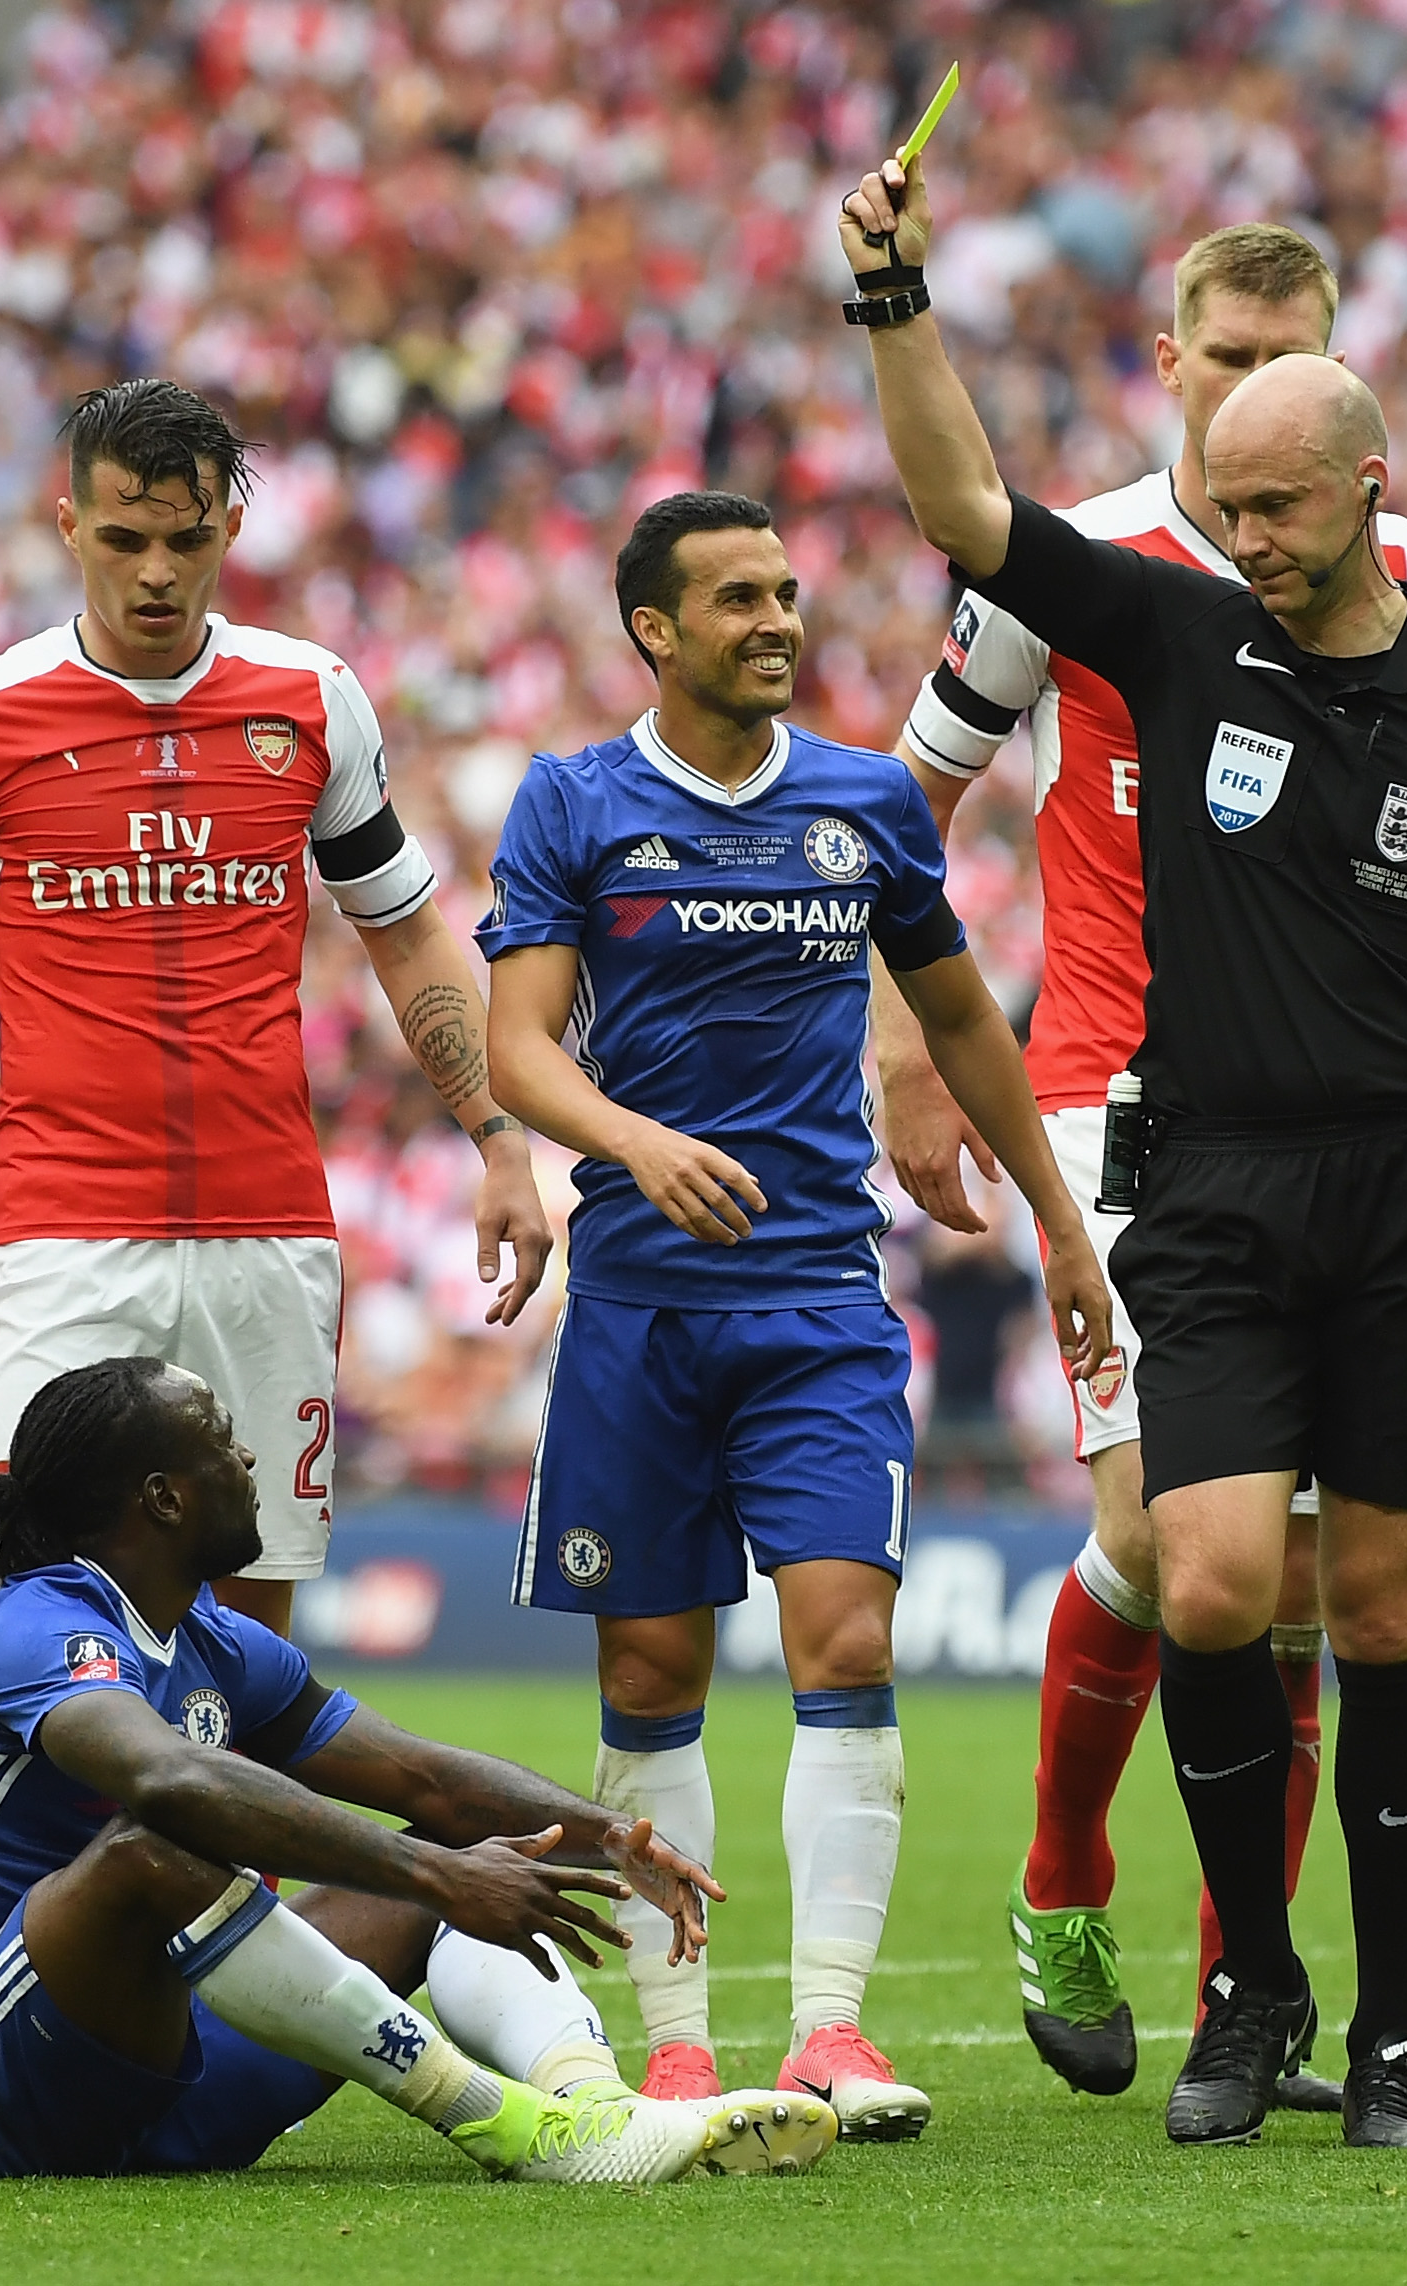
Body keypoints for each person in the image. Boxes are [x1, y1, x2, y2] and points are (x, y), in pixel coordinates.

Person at [841, 153, 1407, 2148]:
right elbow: (921, 767)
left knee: (1344, 1592)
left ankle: (1282, 1996)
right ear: (1168, 365)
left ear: (1353, 439)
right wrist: (904, 1043)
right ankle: (1079, 1883)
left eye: (1279, 383)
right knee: (1185, 1559)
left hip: (1393, 1149)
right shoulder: (1138, 587)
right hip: (1132, 1115)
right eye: (1217, 372)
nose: (1238, 435)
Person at [478, 489, 1116, 2136]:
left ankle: (829, 2030)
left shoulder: (861, 807)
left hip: (821, 1296)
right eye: (738, 599)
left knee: (846, 1636)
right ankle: (677, 2040)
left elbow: (966, 1021)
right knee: (650, 1666)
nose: (776, 619)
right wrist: (629, 1141)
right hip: (637, 1305)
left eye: (783, 592)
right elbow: (518, 1047)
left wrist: (1055, 1216)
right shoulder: (572, 803)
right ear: (654, 631)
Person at [0, 380, 554, 1636]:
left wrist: (501, 1143)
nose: (156, 573)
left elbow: (405, 935)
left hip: (268, 1234)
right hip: (63, 1235)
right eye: (125, 538)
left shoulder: (311, 697)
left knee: (248, 1623)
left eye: (186, 541)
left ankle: (233, 1847)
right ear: (67, 524)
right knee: (42, 1618)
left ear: (229, 536)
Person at [0, 1353, 840, 2184]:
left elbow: (425, 1783)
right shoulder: (42, 1626)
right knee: (150, 1849)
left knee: (468, 1842)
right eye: (222, 1438)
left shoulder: (213, 1638)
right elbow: (169, 1785)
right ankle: (510, 2126)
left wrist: (604, 1834)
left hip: (159, 2069)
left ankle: (594, 2110)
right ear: (162, 1497)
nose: (248, 1457)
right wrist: (433, 1877)